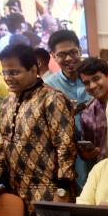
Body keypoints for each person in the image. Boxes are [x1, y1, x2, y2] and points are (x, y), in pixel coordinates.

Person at [0, 44, 76, 216]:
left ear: (33, 69)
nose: (8, 77)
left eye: (14, 72)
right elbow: (3, 142)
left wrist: (62, 190)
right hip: (15, 190)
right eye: (5, 72)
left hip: (48, 190)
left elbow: (65, 145)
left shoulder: (53, 99)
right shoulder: (6, 102)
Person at [44, 30, 89, 187]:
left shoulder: (96, 78)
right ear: (53, 55)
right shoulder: (48, 86)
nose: (69, 58)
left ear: (80, 50)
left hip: (100, 151)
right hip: (69, 158)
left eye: (73, 52)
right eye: (62, 54)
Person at [76, 57, 108, 164]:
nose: (92, 86)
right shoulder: (87, 113)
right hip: (105, 171)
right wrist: (87, 154)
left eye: (96, 79)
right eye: (86, 83)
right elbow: (88, 150)